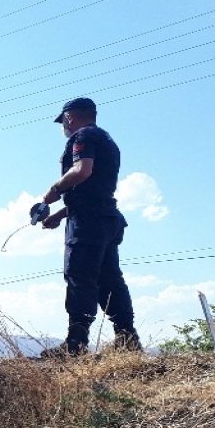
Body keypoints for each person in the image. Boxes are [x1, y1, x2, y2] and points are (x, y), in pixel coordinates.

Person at [36, 97, 141, 356]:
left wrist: (53, 192)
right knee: (109, 279)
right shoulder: (107, 140)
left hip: (88, 222)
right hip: (106, 217)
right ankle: (127, 338)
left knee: (79, 276)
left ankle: (76, 344)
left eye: (64, 122)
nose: (64, 127)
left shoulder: (82, 136)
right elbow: (94, 190)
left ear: (69, 117)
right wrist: (60, 214)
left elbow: (82, 171)